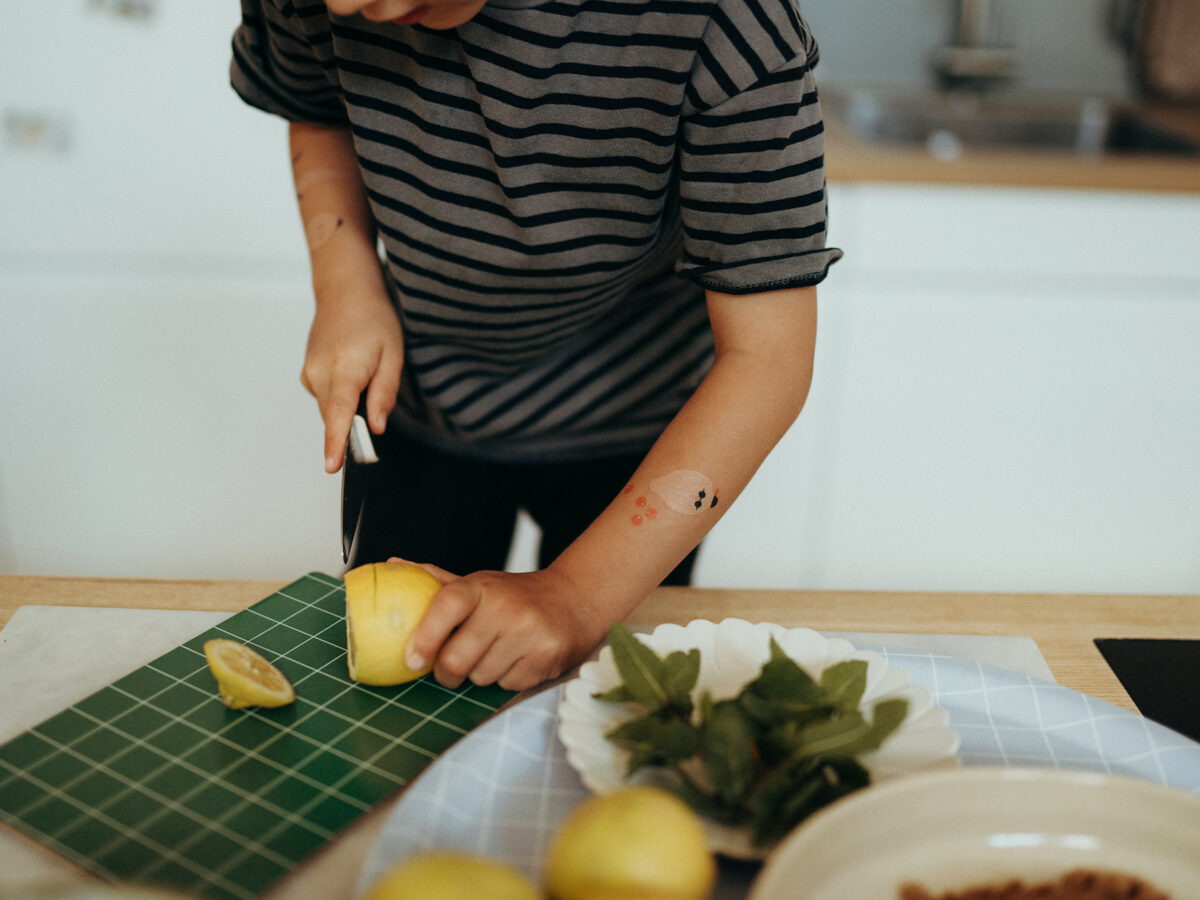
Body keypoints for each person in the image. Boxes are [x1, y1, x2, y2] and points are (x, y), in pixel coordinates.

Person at [230, 0, 841, 692]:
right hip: (420, 410)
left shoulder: (727, 24)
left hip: (643, 437)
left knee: (608, 705)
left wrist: (578, 596)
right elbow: (314, 101)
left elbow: (769, 359)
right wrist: (346, 282)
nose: (341, 6)